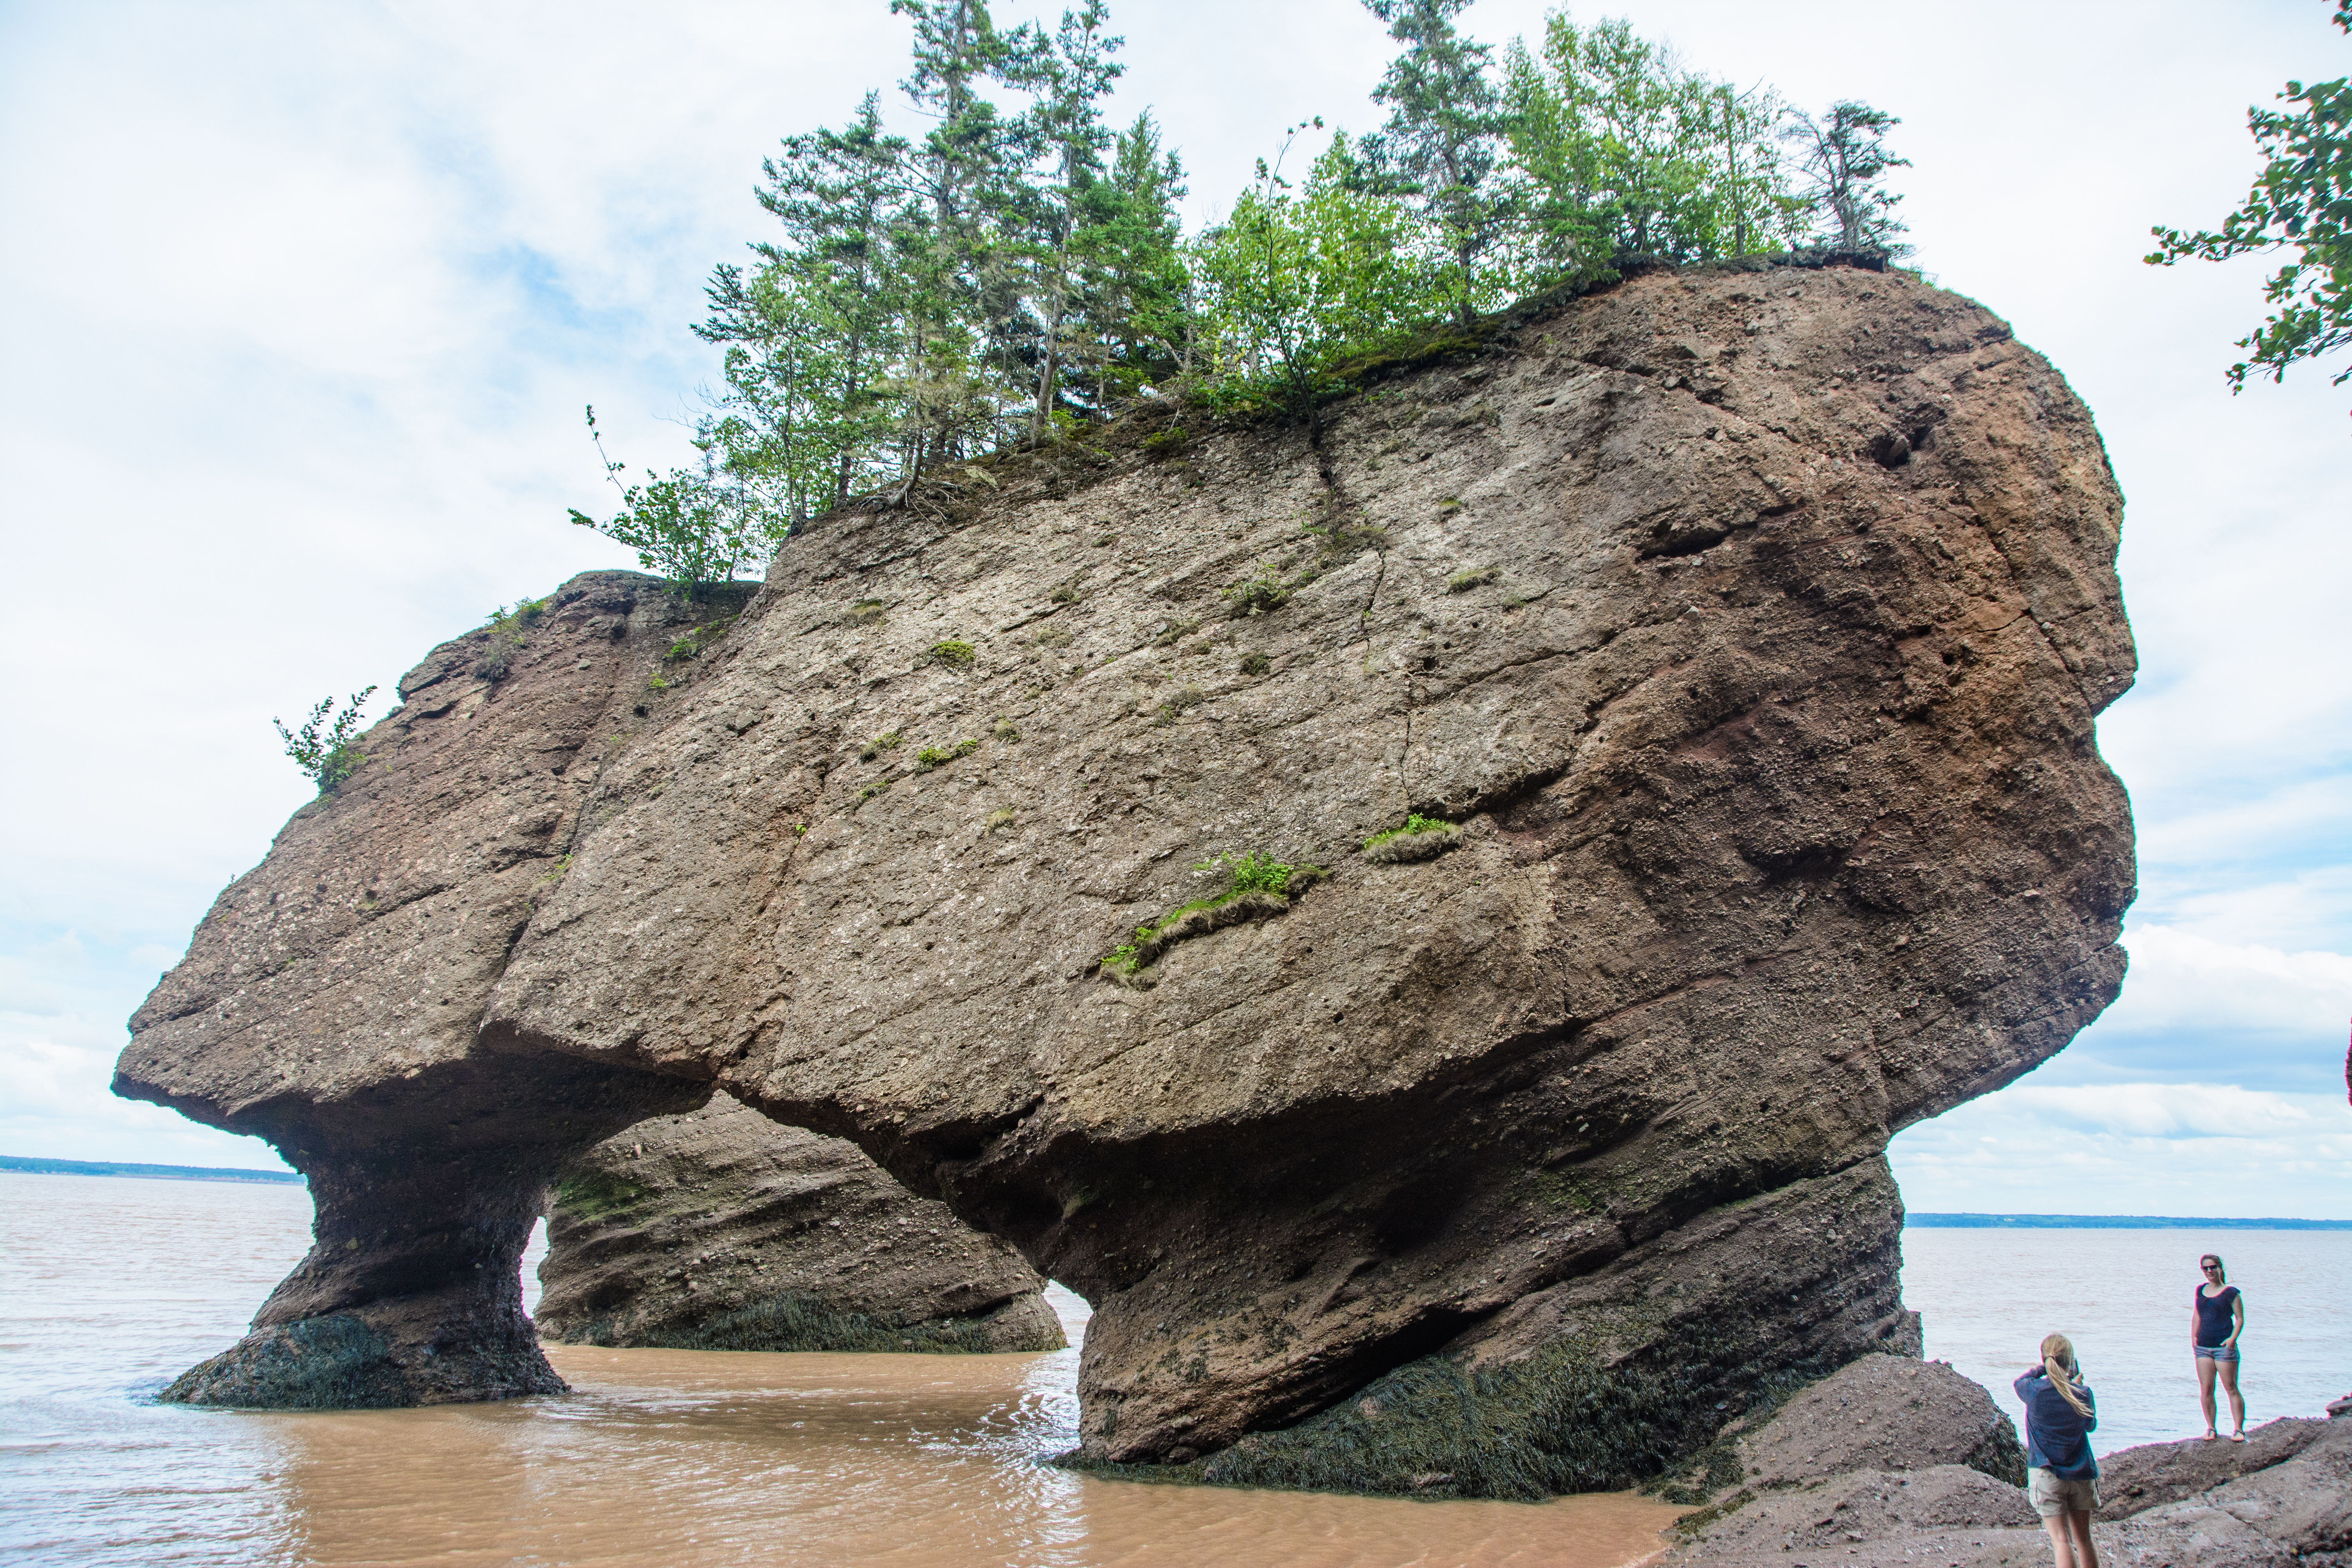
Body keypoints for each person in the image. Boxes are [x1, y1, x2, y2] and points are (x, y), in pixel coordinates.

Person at [2015, 1332, 2100, 1568]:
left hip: (2047, 1474)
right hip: (2081, 1474)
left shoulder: (2033, 1391)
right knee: (2084, 1540)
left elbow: (2019, 1382)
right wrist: (2075, 1386)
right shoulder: (2082, 1394)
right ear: (2070, 1362)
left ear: (2046, 1360)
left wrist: (2042, 1369)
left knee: (2061, 1541)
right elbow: (2090, 1426)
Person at [2192, 1252, 2246, 1441]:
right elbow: (2197, 1315)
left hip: (2224, 1349)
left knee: (2231, 1388)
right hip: (2203, 1348)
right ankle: (2211, 1428)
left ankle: (2239, 1430)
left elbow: (2240, 1319)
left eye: (2212, 1267)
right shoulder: (2200, 1290)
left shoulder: (2231, 1293)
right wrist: (2193, 1338)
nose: (2209, 1271)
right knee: (2206, 1388)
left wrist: (2232, 1339)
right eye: (2205, 1268)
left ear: (2220, 1268)